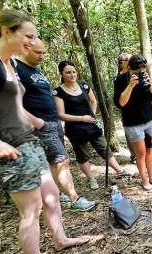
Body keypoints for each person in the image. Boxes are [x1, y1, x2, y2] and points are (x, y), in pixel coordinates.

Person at [0, 9, 90, 254]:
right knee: (31, 209)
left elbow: (13, 104)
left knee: (52, 198)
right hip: (8, 148)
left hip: (28, 141)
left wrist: (33, 121)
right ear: (7, 31)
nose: (32, 41)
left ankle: (60, 239)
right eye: (28, 35)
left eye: (35, 36)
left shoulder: (11, 64)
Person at [16, 39, 96, 211]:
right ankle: (75, 200)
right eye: (38, 52)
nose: (41, 56)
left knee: (54, 163)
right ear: (26, 48)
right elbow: (10, 100)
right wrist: (34, 121)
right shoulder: (16, 67)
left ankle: (56, 194)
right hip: (41, 125)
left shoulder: (35, 70)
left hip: (53, 122)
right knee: (63, 160)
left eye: (43, 53)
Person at [53, 61, 129, 190]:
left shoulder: (84, 86)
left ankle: (119, 170)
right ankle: (92, 179)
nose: (72, 75)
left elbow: (93, 101)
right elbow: (61, 114)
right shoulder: (58, 92)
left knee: (104, 148)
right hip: (75, 129)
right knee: (82, 155)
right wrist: (82, 119)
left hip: (92, 125)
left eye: (73, 72)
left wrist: (92, 115)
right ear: (61, 73)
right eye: (68, 72)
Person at [113, 55, 152, 191]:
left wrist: (149, 83)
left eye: (142, 69)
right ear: (129, 68)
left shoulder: (145, 76)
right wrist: (130, 86)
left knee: (149, 151)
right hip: (133, 124)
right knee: (141, 154)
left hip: (149, 120)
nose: (139, 72)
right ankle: (144, 180)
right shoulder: (121, 80)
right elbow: (120, 103)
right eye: (137, 70)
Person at [115, 53, 137, 164]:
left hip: (138, 107)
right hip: (126, 109)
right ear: (123, 63)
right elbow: (118, 99)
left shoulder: (134, 73)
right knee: (129, 131)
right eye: (127, 60)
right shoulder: (118, 78)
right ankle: (134, 155)